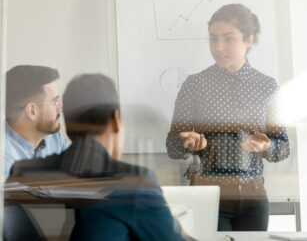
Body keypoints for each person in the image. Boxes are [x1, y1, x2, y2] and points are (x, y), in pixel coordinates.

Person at [10, 74, 192, 241]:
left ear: (68, 124)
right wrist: (175, 228)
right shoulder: (135, 184)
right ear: (115, 120)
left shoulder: (23, 172)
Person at [166, 3, 290, 231]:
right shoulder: (195, 85)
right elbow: (172, 146)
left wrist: (266, 146)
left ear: (248, 40)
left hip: (253, 200)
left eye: (228, 38)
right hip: (207, 196)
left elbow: (283, 148)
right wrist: (188, 144)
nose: (219, 47)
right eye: (213, 39)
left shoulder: (267, 86)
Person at [4, 65, 68, 178]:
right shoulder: (4, 158)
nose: (61, 109)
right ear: (32, 111)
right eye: (55, 102)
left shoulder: (55, 140)